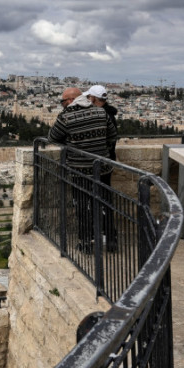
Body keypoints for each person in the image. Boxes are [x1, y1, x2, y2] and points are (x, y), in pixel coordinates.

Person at [48, 87, 118, 252]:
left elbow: (52, 137)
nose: (62, 105)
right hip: (103, 168)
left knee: (82, 206)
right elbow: (112, 136)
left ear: (71, 101)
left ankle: (86, 242)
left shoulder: (66, 117)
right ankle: (111, 241)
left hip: (79, 169)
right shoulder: (101, 113)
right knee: (105, 203)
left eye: (62, 102)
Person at [87, 85, 119, 251]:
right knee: (105, 200)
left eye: (89, 97)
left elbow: (109, 139)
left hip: (99, 163)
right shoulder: (110, 114)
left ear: (93, 98)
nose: (87, 100)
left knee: (93, 200)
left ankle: (99, 236)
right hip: (107, 162)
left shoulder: (102, 115)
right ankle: (110, 238)